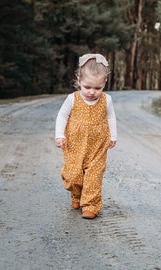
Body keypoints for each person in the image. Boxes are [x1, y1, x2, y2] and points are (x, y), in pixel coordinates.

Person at [55, 53, 117, 219]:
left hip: (98, 145)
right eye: (87, 87)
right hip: (75, 145)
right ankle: (76, 194)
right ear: (79, 81)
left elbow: (111, 117)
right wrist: (59, 135)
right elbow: (62, 116)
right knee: (73, 174)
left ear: (104, 84)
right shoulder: (72, 99)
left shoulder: (107, 100)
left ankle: (90, 205)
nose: (92, 92)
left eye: (97, 88)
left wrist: (113, 136)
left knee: (93, 176)